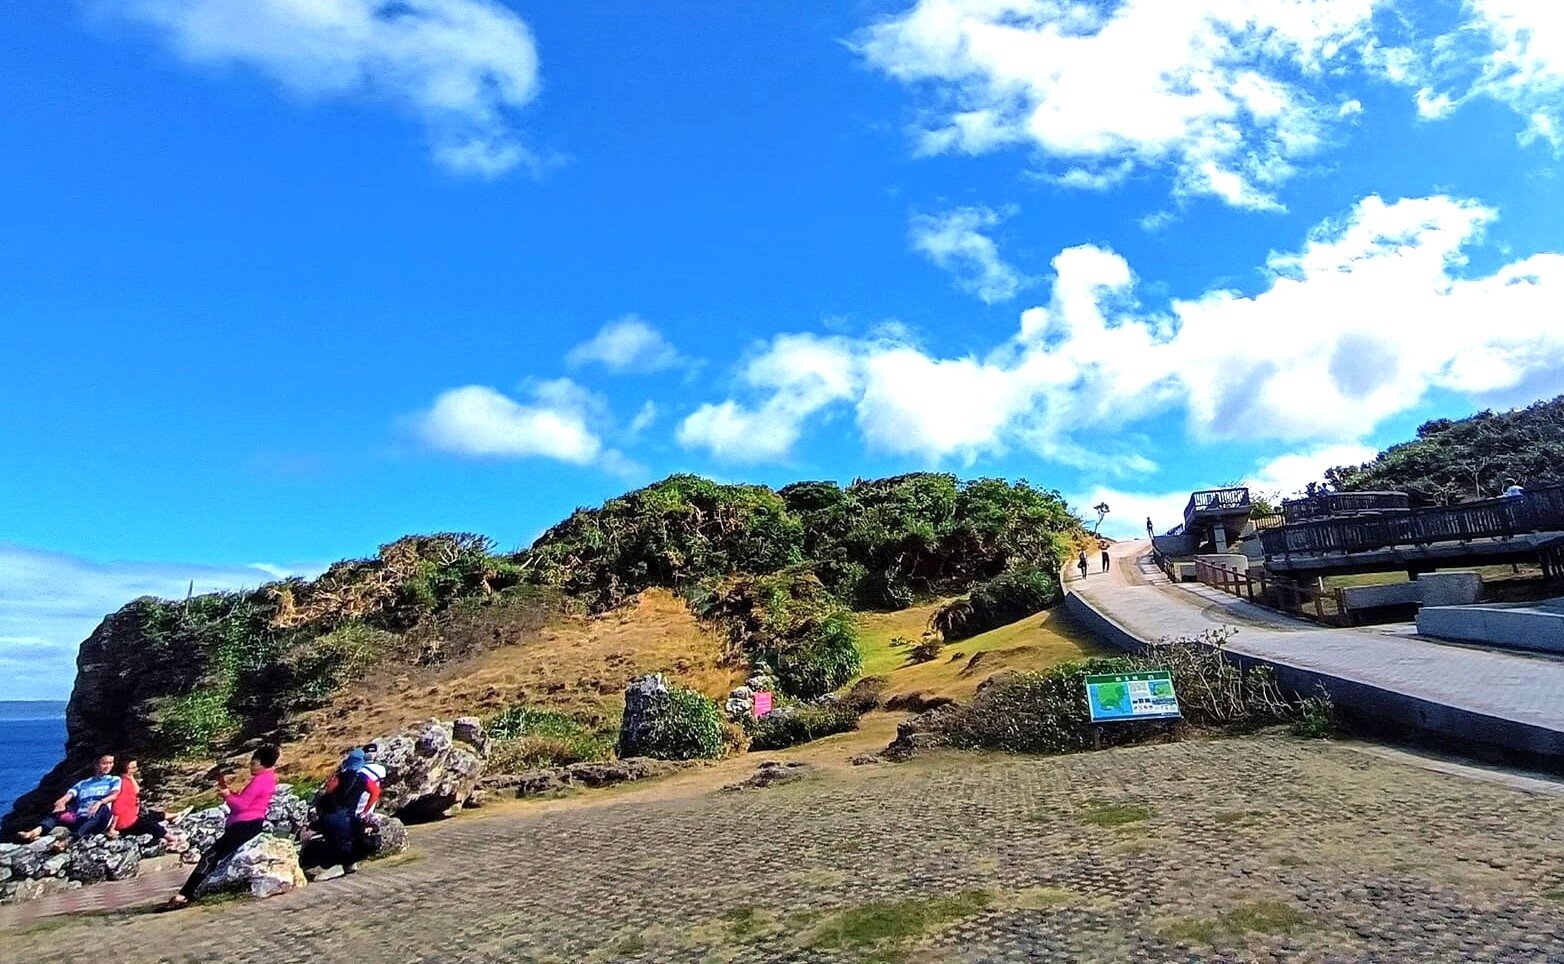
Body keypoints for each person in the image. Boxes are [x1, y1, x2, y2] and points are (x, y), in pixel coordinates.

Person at [161, 744, 279, 910]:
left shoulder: (260, 780)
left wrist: (227, 796)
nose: (251, 767)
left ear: (261, 763)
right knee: (216, 857)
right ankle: (191, 891)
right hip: (252, 823)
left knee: (210, 856)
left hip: (244, 824)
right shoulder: (269, 778)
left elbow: (242, 806)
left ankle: (185, 894)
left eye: (253, 764)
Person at [302, 749, 375, 877]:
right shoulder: (364, 779)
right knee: (349, 838)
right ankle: (348, 863)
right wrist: (366, 809)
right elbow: (375, 792)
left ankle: (330, 863)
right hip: (350, 815)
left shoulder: (340, 777)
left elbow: (328, 792)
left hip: (333, 812)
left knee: (332, 838)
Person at [17, 753, 120, 843]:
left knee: (101, 809)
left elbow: (114, 795)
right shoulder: (83, 783)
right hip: (80, 817)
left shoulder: (114, 780)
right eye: (105, 763)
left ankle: (68, 841)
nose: (108, 766)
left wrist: (99, 802)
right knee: (58, 813)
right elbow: (69, 795)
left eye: (111, 762)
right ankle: (35, 832)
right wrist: (61, 802)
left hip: (100, 818)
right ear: (96, 764)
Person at [107, 758, 185, 852]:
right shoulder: (122, 784)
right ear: (126, 769)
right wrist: (112, 828)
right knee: (148, 823)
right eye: (133, 767)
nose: (135, 769)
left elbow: (136, 790)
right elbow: (117, 808)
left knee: (149, 814)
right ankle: (171, 838)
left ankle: (172, 816)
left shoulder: (125, 780)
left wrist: (130, 776)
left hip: (133, 813)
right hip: (125, 823)